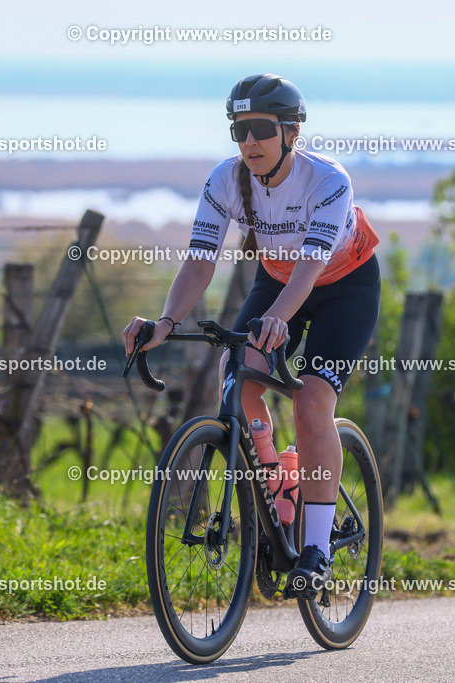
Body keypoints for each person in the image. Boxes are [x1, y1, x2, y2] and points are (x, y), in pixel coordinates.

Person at [123, 73, 381, 598]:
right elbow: (200, 262)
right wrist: (165, 322)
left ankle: (315, 549)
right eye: (239, 130)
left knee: (311, 402)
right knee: (237, 380)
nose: (249, 142)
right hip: (280, 278)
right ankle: (277, 484)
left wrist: (280, 321)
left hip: (344, 286)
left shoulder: (327, 179)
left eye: (261, 129)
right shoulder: (226, 180)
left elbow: (312, 267)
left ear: (291, 132)